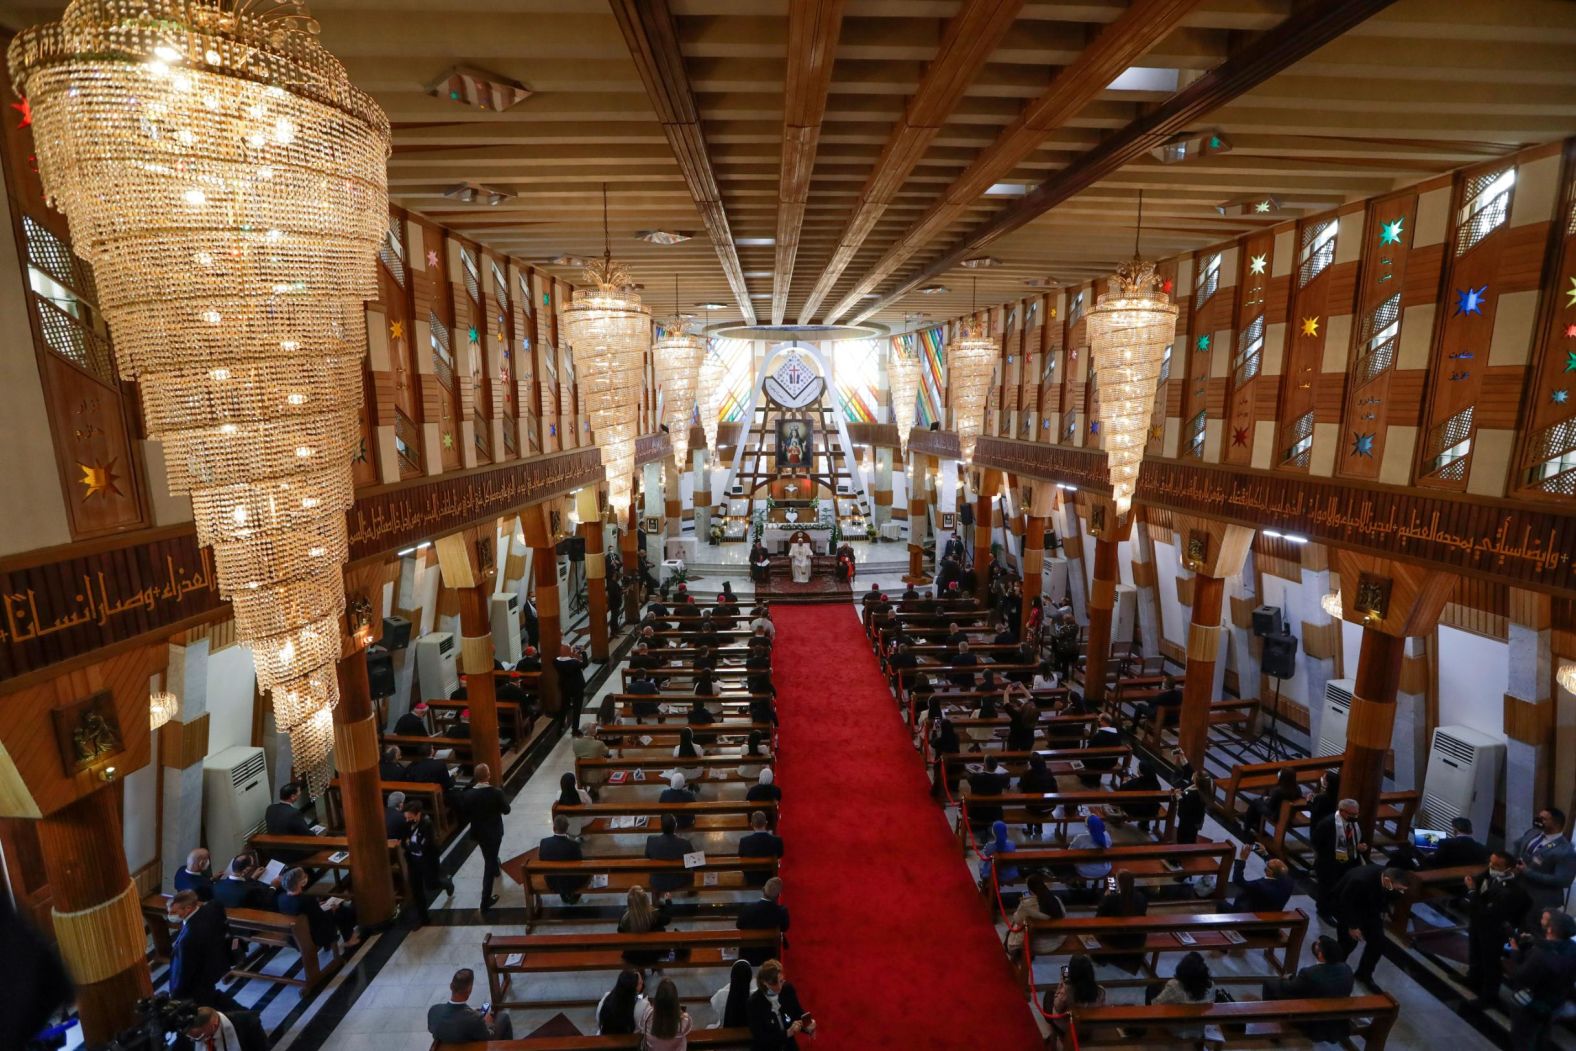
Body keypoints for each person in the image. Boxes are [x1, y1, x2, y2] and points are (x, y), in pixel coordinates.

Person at [1465, 849, 1533, 1005]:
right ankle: (1473, 979)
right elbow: (1480, 879)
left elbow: (1489, 911)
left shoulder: (1512, 891)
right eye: (1491, 862)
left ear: (1508, 869)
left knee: (1490, 962)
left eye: (1496, 865)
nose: (1491, 867)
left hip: (1493, 929)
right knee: (1475, 952)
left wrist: (1472, 891)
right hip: (1478, 923)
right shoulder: (1491, 873)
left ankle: (1489, 996)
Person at [1262, 936, 1356, 1041]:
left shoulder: (1309, 973)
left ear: (1320, 955)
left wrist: (1285, 980)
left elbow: (1290, 989)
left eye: (1317, 944)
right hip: (1337, 1017)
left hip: (1313, 1021)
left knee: (1269, 984)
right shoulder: (1346, 969)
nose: (1315, 944)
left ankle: (1271, 1027)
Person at [1507, 908, 1576, 1048]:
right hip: (1556, 1002)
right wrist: (1534, 941)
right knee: (1542, 1035)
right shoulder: (1572, 948)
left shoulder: (1540, 955)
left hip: (1532, 1004)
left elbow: (1520, 975)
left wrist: (1515, 951)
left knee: (1523, 1039)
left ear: (1550, 930)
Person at [1332, 864, 1407, 989]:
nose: (1401, 892)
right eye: (1399, 889)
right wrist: (1353, 926)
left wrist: (1384, 909)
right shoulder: (1360, 881)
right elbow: (1345, 902)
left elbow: (1387, 896)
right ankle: (1334, 972)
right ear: (1388, 881)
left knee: (1378, 942)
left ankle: (1364, 974)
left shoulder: (1388, 879)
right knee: (1347, 943)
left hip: (1369, 910)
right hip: (1348, 909)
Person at [166, 890, 231, 1009]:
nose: (170, 915)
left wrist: (175, 992)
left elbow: (184, 970)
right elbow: (217, 905)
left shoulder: (188, 938)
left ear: (188, 908)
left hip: (199, 979)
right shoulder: (211, 909)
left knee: (202, 1005)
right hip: (215, 963)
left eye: (174, 912)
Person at [1514, 806, 1576, 924]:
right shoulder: (1533, 832)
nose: (1538, 820)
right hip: (1519, 889)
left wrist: (1528, 872)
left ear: (1555, 823)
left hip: (1539, 899)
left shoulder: (1565, 851)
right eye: (1538, 816)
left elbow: (1562, 880)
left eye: (1543, 819)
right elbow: (1518, 844)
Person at [464, 763, 511, 911]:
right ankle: (485, 901)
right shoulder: (496, 793)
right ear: (488, 776)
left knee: (488, 854)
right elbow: (507, 810)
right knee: (489, 863)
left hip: (478, 832)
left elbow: (465, 812)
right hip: (494, 831)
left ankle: (496, 869)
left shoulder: (468, 794)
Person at [1311, 797, 1367, 921]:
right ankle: (1324, 911)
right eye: (1352, 814)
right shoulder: (1327, 823)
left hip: (1350, 861)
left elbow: (1359, 837)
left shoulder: (1355, 822)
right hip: (1329, 863)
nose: (1355, 816)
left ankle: (1337, 908)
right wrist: (1350, 847)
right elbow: (1316, 842)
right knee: (1326, 888)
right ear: (1342, 811)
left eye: (1356, 813)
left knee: (1343, 887)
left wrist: (1361, 846)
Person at [277, 866, 359, 950]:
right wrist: (332, 909)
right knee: (342, 911)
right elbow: (320, 918)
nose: (306, 877)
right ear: (299, 882)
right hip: (314, 935)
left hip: (295, 935)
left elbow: (306, 912)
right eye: (303, 876)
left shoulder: (281, 897)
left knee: (336, 909)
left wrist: (317, 906)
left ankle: (346, 938)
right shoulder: (306, 900)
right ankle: (349, 939)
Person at [401, 799, 452, 926]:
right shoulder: (407, 824)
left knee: (431, 885)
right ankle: (423, 917)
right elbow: (404, 842)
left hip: (428, 861)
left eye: (410, 817)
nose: (407, 820)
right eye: (406, 817)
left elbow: (423, 846)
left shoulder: (427, 825)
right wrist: (409, 845)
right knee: (416, 889)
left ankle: (446, 883)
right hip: (413, 862)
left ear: (418, 814)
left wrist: (410, 845)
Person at [427, 967, 513, 1042]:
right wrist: (488, 1022)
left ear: (451, 986)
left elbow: (431, 1029)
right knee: (504, 1017)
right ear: (469, 991)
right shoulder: (475, 1020)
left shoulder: (434, 1010)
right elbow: (488, 1037)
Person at [747, 958, 815, 1049]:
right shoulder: (754, 1003)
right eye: (774, 984)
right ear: (764, 982)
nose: (779, 987)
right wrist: (788, 1033)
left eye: (781, 981)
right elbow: (761, 1039)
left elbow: (798, 1014)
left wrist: (808, 1026)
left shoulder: (787, 990)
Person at [1147, 951, 1214, 1038]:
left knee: (1152, 988)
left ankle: (1149, 1021)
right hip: (1198, 1028)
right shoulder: (1210, 985)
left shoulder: (1175, 986)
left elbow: (1156, 1004)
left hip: (1177, 1028)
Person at [1095, 871, 1149, 971]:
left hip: (1115, 939)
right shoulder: (1141, 897)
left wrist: (1105, 897)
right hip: (1136, 938)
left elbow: (1099, 918)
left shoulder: (1111, 898)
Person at [1047, 954, 1103, 1050]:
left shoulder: (1067, 993)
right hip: (1087, 1029)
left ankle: (1053, 1039)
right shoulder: (1100, 991)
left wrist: (1062, 985)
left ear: (1072, 973)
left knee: (1048, 995)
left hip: (1069, 1028)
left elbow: (1057, 1008)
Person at [1225, 841, 1294, 912]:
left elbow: (1238, 881)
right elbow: (1275, 867)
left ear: (1269, 872)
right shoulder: (1289, 881)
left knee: (1219, 905)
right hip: (1272, 913)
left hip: (1249, 915)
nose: (1270, 861)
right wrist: (1264, 853)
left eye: (1268, 865)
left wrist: (1242, 859)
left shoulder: (1260, 886)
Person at [1007, 872, 1066, 954]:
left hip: (1039, 943)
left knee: (1016, 928)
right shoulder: (1055, 899)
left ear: (1031, 890)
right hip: (1058, 938)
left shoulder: (1026, 907)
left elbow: (1017, 920)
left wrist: (1021, 907)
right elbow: (1063, 915)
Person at [737, 876, 790, 965]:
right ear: (778, 895)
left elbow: (738, 925)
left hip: (747, 952)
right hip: (769, 954)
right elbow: (785, 928)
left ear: (763, 890)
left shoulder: (747, 908)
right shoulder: (781, 911)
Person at [1245, 767, 1304, 845]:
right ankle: (1256, 824)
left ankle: (1247, 827)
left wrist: (1266, 799)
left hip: (1276, 816)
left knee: (1256, 802)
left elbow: (1270, 807)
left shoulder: (1279, 791)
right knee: (1259, 802)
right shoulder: (1297, 789)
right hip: (1290, 815)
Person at [538, 814, 589, 904]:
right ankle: (573, 895)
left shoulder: (544, 842)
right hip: (571, 882)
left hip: (552, 881)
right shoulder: (574, 845)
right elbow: (580, 864)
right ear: (567, 828)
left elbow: (541, 859)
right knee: (588, 873)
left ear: (554, 828)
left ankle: (565, 895)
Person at [619, 884, 674, 965]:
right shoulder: (655, 915)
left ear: (629, 903)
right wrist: (668, 901)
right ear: (646, 900)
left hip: (633, 955)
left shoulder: (624, 919)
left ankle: (640, 971)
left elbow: (621, 935)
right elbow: (667, 918)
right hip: (654, 953)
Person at [645, 813, 696, 894]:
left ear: (661, 827)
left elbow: (647, 857)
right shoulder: (685, 844)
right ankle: (692, 892)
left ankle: (656, 897)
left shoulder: (651, 841)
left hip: (658, 880)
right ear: (675, 826)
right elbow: (693, 861)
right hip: (679, 880)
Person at [638, 977, 692, 1050]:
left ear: (657, 997)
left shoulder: (648, 1014)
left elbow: (642, 1029)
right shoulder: (684, 1019)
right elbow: (686, 1031)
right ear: (675, 1000)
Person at [179, 1006, 267, 1051]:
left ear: (214, 1026)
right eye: (190, 1037)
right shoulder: (187, 1031)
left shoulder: (249, 1024)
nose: (192, 1040)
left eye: (198, 1037)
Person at [211, 853, 277, 910]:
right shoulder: (252, 890)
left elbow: (239, 885)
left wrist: (252, 878)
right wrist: (273, 887)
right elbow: (264, 904)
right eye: (252, 865)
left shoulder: (217, 884)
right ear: (246, 870)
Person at [1423, 816, 1491, 870]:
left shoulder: (1445, 844)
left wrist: (1429, 855)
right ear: (1470, 831)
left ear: (1455, 830)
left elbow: (1435, 862)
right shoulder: (1481, 848)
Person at [597, 968, 650, 1036]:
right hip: (632, 1041)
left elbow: (599, 1021)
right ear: (633, 990)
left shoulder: (606, 998)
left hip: (606, 1037)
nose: (643, 982)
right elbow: (646, 1029)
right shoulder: (643, 1006)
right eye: (640, 983)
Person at [739, 810, 785, 887]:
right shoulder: (777, 840)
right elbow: (780, 854)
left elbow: (741, 855)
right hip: (769, 875)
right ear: (766, 823)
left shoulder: (744, 841)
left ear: (751, 824)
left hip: (751, 876)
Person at [1016, 751, 1056, 838]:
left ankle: (1029, 829)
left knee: (1031, 800)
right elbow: (1055, 788)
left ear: (1031, 764)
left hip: (1033, 809)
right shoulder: (1048, 772)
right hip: (1050, 807)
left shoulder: (1027, 774)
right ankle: (1038, 827)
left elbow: (1021, 787)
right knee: (1040, 799)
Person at [1116, 759, 1162, 832]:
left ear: (1141, 773)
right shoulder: (1157, 784)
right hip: (1151, 811)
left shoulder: (1133, 783)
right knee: (1148, 803)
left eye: (1138, 768)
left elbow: (1121, 791)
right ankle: (1144, 824)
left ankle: (1118, 818)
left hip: (1135, 810)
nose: (1137, 769)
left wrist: (1125, 781)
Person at [555, 644, 591, 727]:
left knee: (564, 707)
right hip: (577, 687)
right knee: (577, 709)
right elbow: (585, 664)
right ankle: (575, 728)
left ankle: (560, 727)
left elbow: (564, 658)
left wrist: (571, 654)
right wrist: (583, 652)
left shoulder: (556, 662)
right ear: (568, 652)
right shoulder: (574, 662)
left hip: (564, 687)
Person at [711, 959, 754, 1029]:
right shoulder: (756, 994)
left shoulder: (721, 994)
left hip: (726, 1030)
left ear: (732, 976)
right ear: (750, 976)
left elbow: (714, 1005)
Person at [571, 722, 613, 791]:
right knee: (608, 766)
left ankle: (591, 790)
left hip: (581, 775)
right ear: (594, 732)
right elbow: (607, 751)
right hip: (596, 777)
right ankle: (595, 790)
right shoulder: (599, 744)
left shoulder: (575, 743)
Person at [1069, 815, 1113, 880]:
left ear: (1087, 827)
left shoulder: (1081, 838)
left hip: (1086, 871)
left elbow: (1070, 851)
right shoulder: (1107, 836)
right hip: (1104, 869)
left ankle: (1076, 882)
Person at [1176, 769, 1212, 845]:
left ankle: (1181, 852)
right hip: (1196, 820)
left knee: (1183, 838)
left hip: (1187, 821)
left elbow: (1185, 808)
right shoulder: (1203, 790)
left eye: (1194, 774)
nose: (1193, 774)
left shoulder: (1193, 794)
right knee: (1192, 836)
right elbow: (1186, 791)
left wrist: (1179, 797)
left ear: (1197, 780)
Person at [978, 819, 1018, 885]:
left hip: (994, 874)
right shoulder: (1011, 844)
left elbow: (985, 854)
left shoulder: (990, 846)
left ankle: (985, 884)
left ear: (993, 832)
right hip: (1010, 874)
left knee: (982, 861)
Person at [558, 771, 594, 835]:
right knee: (593, 814)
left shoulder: (559, 795)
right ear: (574, 783)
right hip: (581, 822)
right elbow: (590, 804)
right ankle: (584, 836)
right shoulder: (582, 793)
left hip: (565, 823)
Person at [1052, 612, 1080, 680]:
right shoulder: (1076, 627)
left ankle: (1059, 676)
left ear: (1066, 621)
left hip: (1064, 650)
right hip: (1074, 650)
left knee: (1058, 659)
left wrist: (1053, 626)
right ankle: (1065, 676)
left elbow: (1057, 635)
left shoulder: (1064, 628)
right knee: (1065, 662)